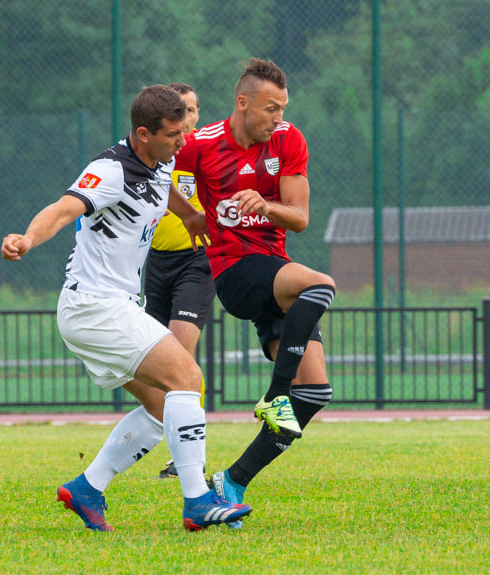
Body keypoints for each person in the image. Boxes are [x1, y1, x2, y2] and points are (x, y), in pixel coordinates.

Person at [0, 84, 251, 532]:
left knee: (161, 408)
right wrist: (26, 239)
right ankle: (197, 500)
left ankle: (86, 488)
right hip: (94, 308)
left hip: (106, 309)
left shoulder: (161, 158)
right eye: (173, 133)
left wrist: (189, 216)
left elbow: (163, 184)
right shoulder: (111, 170)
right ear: (142, 133)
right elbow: (63, 209)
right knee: (188, 377)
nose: (182, 140)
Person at [174, 57, 335, 528]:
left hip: (276, 272)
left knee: (316, 392)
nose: (277, 118)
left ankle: (232, 481)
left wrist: (265, 204)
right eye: (269, 109)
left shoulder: (288, 140)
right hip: (234, 272)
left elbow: (300, 218)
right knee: (321, 284)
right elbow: (161, 180)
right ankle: (275, 393)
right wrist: (189, 215)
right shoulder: (201, 145)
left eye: (282, 108)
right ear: (243, 103)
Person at [142, 82, 215, 479]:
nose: (188, 117)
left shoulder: (202, 151)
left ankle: (191, 457)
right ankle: (177, 445)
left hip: (196, 262)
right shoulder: (154, 155)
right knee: (151, 364)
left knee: (180, 354)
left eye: (193, 109)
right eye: (181, 111)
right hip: (156, 264)